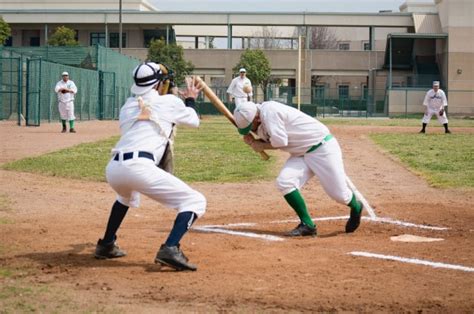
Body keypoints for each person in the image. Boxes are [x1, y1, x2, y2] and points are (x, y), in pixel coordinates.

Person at [94, 62, 206, 271]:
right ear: (157, 84)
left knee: (125, 197)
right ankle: (170, 248)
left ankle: (106, 244)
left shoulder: (127, 106)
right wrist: (190, 99)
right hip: (138, 167)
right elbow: (194, 120)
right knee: (195, 201)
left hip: (114, 169)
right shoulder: (169, 102)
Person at [233, 101, 364, 237]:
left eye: (250, 126)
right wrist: (254, 142)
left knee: (340, 195)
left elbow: (280, 141)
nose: (251, 129)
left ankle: (356, 206)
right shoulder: (260, 119)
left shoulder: (270, 112)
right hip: (301, 152)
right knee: (285, 182)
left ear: (257, 118)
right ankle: (308, 225)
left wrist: (260, 145)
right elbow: (267, 136)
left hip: (321, 148)